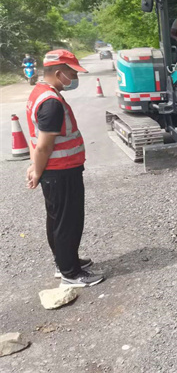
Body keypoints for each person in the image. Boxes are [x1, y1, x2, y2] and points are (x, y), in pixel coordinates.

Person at [25, 49, 104, 288]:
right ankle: (71, 273)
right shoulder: (51, 103)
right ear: (59, 73)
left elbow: (35, 140)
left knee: (58, 220)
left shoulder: (39, 92)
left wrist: (35, 166)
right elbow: (43, 146)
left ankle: (64, 262)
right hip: (61, 171)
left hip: (57, 171)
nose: (75, 78)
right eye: (72, 73)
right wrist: (36, 171)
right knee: (68, 222)